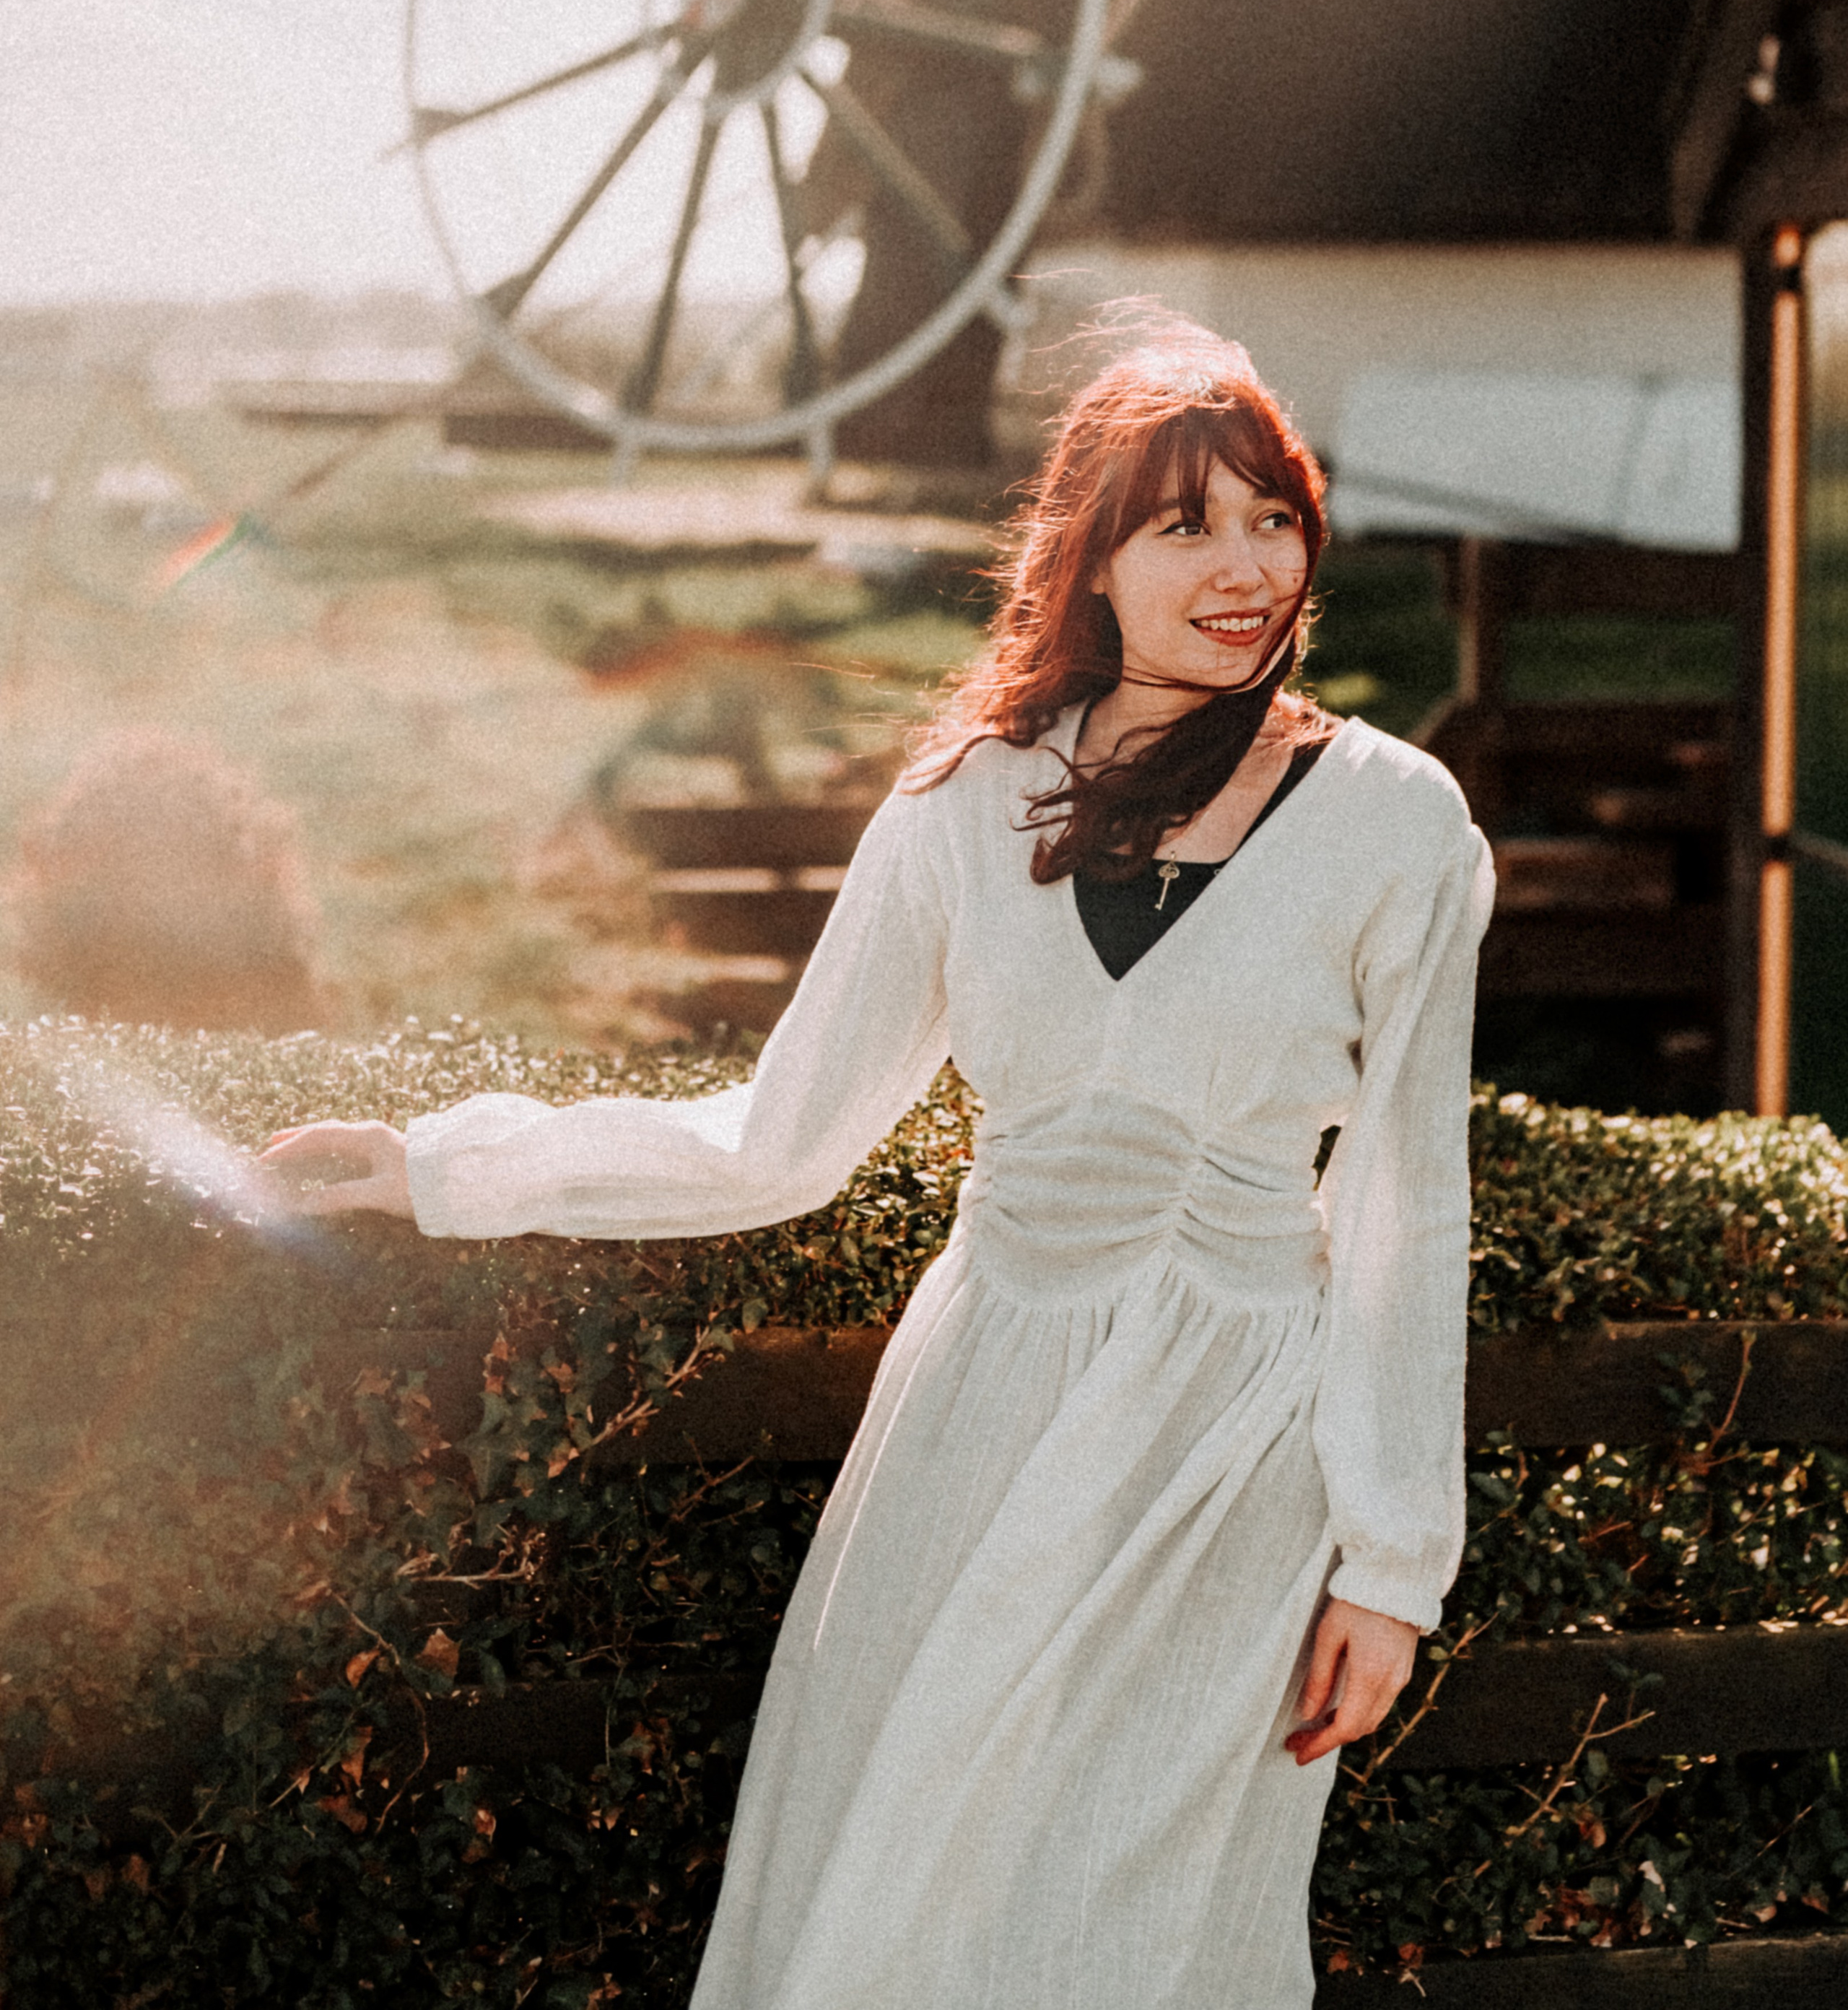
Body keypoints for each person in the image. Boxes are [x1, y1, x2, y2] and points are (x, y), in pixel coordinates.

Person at [263, 323, 1495, 2010]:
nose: (1241, 565)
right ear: (1092, 560)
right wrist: (442, 1166)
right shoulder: (962, 805)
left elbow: (1407, 1205)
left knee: (1127, 1923)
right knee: (888, 1898)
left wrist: (1388, 1566)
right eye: (1183, 524)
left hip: (1230, 1450)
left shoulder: (1396, 820)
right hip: (976, 1413)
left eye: (1270, 517)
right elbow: (777, 1136)